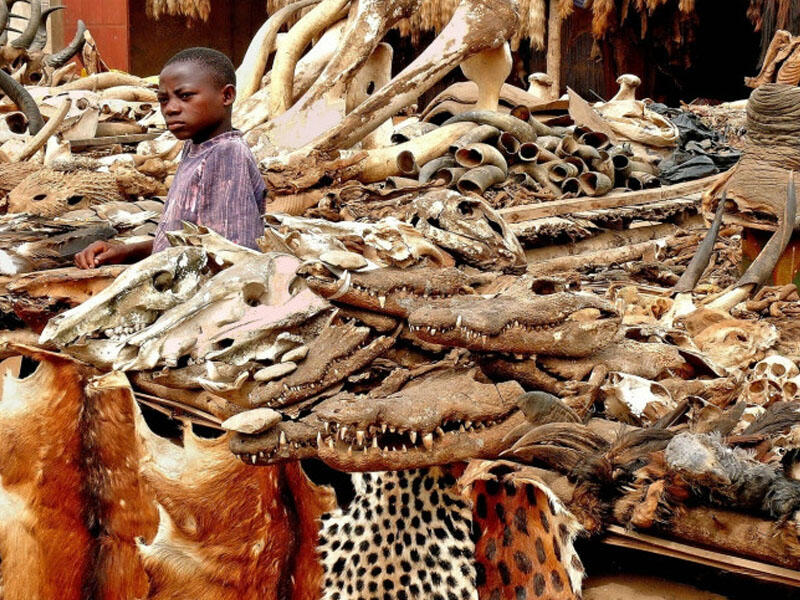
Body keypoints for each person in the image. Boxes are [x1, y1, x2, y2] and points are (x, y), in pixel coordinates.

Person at [75, 47, 266, 269]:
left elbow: (228, 256)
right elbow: (187, 241)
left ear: (226, 95)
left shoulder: (226, 154)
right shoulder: (196, 147)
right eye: (164, 100)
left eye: (185, 96)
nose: (171, 109)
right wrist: (125, 250)